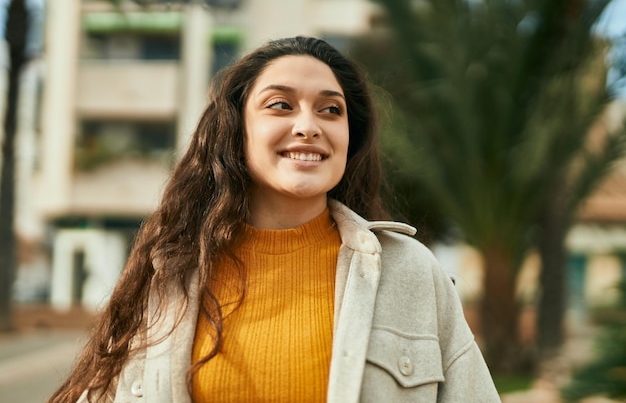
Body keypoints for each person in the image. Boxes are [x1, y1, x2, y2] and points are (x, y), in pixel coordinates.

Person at [48, 36, 501, 403]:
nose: (309, 125)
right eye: (280, 105)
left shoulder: (411, 274)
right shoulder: (166, 276)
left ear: (349, 137)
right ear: (237, 131)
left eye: (330, 109)